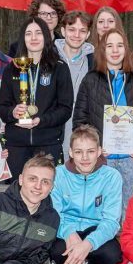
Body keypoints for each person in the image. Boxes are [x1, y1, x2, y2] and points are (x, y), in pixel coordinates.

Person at [73, 28, 133, 213]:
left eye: (120, 45)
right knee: (101, 211)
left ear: (126, 49)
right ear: (102, 50)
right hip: (102, 159)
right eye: (109, 46)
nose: (115, 50)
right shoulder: (90, 80)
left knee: (129, 212)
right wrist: (94, 148)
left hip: (130, 159)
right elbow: (80, 120)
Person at [50, 125, 123, 264]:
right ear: (70, 152)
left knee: (112, 255)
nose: (84, 158)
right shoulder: (58, 174)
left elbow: (111, 221)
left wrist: (88, 243)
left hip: (96, 227)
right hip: (66, 227)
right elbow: (54, 213)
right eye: (78, 152)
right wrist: (69, 233)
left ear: (99, 151)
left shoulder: (112, 176)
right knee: (55, 248)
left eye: (90, 151)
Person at [0, 17, 73, 177]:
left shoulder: (59, 68)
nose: (33, 38)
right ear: (22, 38)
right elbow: (2, 109)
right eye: (28, 33)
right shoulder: (11, 69)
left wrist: (42, 120)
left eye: (38, 33)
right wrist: (13, 112)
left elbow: (65, 109)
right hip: (16, 146)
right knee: (17, 189)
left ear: (46, 36)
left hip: (48, 143)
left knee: (47, 188)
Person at [55, 10, 95, 159]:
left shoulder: (94, 62)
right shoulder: (50, 59)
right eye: (72, 30)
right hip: (54, 131)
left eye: (82, 31)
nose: (76, 35)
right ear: (63, 31)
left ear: (88, 34)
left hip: (83, 131)